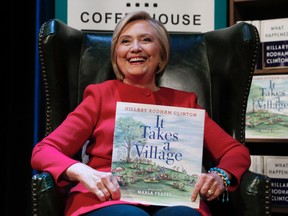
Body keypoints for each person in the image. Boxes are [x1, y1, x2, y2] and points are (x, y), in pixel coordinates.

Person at [31, 11, 251, 216]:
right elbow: (43, 150)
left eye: (146, 40)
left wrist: (220, 175)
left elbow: (236, 152)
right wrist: (80, 171)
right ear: (116, 55)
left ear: (162, 55)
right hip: (107, 200)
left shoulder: (185, 103)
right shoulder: (100, 96)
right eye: (125, 41)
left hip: (175, 198)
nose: (135, 47)